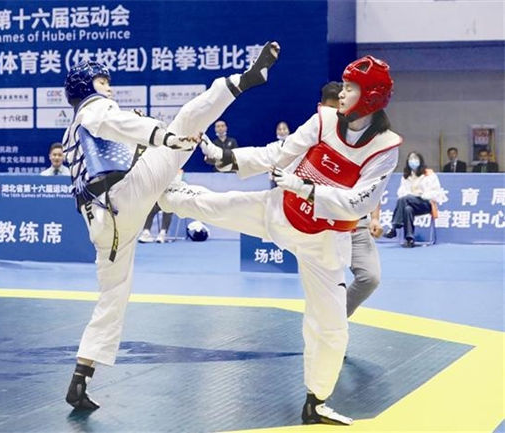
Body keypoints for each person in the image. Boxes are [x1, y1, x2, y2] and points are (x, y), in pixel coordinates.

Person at [160, 55, 401, 425]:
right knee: (216, 206)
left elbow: (362, 201)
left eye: (351, 88)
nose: (342, 93)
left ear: (370, 97)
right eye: (343, 85)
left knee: (331, 328)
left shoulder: (384, 147)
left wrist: (307, 189)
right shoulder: (324, 119)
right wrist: (229, 157)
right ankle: (161, 194)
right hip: (280, 211)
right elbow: (279, 152)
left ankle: (316, 402)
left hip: (324, 242)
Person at [61, 42, 281, 411]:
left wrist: (157, 145)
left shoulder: (73, 132)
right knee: (187, 122)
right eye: (102, 81)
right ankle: (242, 82)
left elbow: (120, 141)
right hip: (124, 194)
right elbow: (121, 123)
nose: (109, 88)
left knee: (114, 293)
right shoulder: (94, 109)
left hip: (104, 221)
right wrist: (166, 138)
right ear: (86, 87)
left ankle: (81, 376)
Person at [319, 81, 382, 316]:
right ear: (321, 108)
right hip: (323, 228)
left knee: (370, 277)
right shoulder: (311, 138)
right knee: (327, 285)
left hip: (356, 225)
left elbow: (373, 186)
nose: (337, 116)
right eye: (332, 110)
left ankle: (333, 319)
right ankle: (329, 328)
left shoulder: (362, 141)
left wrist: (375, 217)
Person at [383, 152, 443, 247]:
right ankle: (409, 239)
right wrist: (411, 195)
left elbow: (436, 192)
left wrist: (421, 195)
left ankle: (394, 227)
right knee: (407, 209)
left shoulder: (429, 174)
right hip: (410, 203)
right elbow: (401, 193)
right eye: (411, 159)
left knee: (406, 199)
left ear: (420, 161)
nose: (413, 161)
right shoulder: (406, 176)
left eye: (415, 158)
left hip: (425, 203)